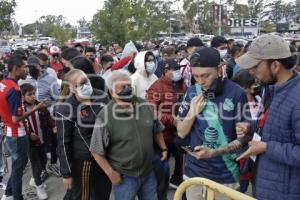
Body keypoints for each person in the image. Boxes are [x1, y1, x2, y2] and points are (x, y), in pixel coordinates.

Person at [193, 34, 300, 200]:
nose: (250, 71)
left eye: (255, 66)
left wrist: (266, 147)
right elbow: (272, 126)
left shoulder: (296, 98)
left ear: (276, 65)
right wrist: (251, 125)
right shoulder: (270, 90)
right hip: (266, 184)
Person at [176, 47, 248, 200]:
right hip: (195, 174)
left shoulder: (236, 93)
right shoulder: (192, 91)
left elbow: (243, 138)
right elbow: (181, 132)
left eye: (205, 75)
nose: (201, 81)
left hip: (225, 175)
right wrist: (192, 113)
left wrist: (213, 153)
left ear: (219, 69)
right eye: (196, 76)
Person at [90, 70, 168, 200]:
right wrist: (110, 173)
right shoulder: (105, 116)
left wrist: (164, 148)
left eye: (129, 85)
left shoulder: (145, 105)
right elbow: (96, 150)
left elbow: (156, 128)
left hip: (148, 172)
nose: (127, 89)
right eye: (122, 86)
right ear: (111, 91)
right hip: (125, 177)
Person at [55, 69, 111, 200]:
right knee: (82, 195)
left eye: (87, 81)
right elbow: (63, 143)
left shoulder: (101, 96)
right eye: (81, 84)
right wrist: (66, 174)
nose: (86, 85)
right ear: (72, 89)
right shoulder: (66, 109)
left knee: (104, 192)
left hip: (106, 156)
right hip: (85, 162)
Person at [0, 54, 44, 200]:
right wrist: (36, 108)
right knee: (19, 168)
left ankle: (9, 193)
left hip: (10, 130)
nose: (27, 69)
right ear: (15, 69)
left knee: (19, 163)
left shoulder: (3, 84)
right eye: (24, 67)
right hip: (17, 133)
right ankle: (17, 196)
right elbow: (16, 118)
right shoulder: (15, 90)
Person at [147, 59, 187, 196]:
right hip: (163, 135)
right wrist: (172, 119)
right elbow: (152, 112)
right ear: (165, 71)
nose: (177, 72)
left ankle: (176, 182)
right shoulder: (156, 87)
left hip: (180, 133)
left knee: (182, 165)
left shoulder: (181, 85)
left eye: (178, 68)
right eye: (174, 69)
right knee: (161, 171)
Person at [21, 83, 54, 199]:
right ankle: (39, 185)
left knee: (44, 162)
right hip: (31, 144)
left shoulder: (40, 105)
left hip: (42, 140)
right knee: (36, 165)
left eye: (34, 93)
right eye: (29, 94)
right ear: (23, 97)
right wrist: (29, 134)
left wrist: (53, 126)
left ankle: (35, 180)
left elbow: (48, 118)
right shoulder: (22, 110)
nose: (33, 96)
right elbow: (21, 125)